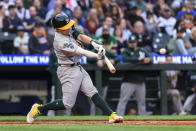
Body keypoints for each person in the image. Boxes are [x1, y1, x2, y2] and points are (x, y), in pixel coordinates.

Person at [26, 13, 123, 124]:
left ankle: (111, 114)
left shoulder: (67, 28)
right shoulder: (59, 41)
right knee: (67, 104)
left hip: (78, 67)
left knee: (93, 92)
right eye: (66, 27)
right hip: (67, 70)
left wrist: (93, 42)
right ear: (59, 29)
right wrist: (96, 55)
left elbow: (80, 35)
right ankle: (39, 109)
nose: (69, 28)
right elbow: (79, 51)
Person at [116, 34, 152, 115]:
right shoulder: (126, 51)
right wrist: (137, 59)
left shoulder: (142, 50)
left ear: (136, 42)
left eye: (134, 42)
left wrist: (148, 60)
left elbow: (150, 59)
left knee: (142, 102)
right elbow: (125, 59)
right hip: (128, 81)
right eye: (131, 42)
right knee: (123, 100)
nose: (133, 44)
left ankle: (143, 120)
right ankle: (118, 117)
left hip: (140, 81)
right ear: (128, 43)